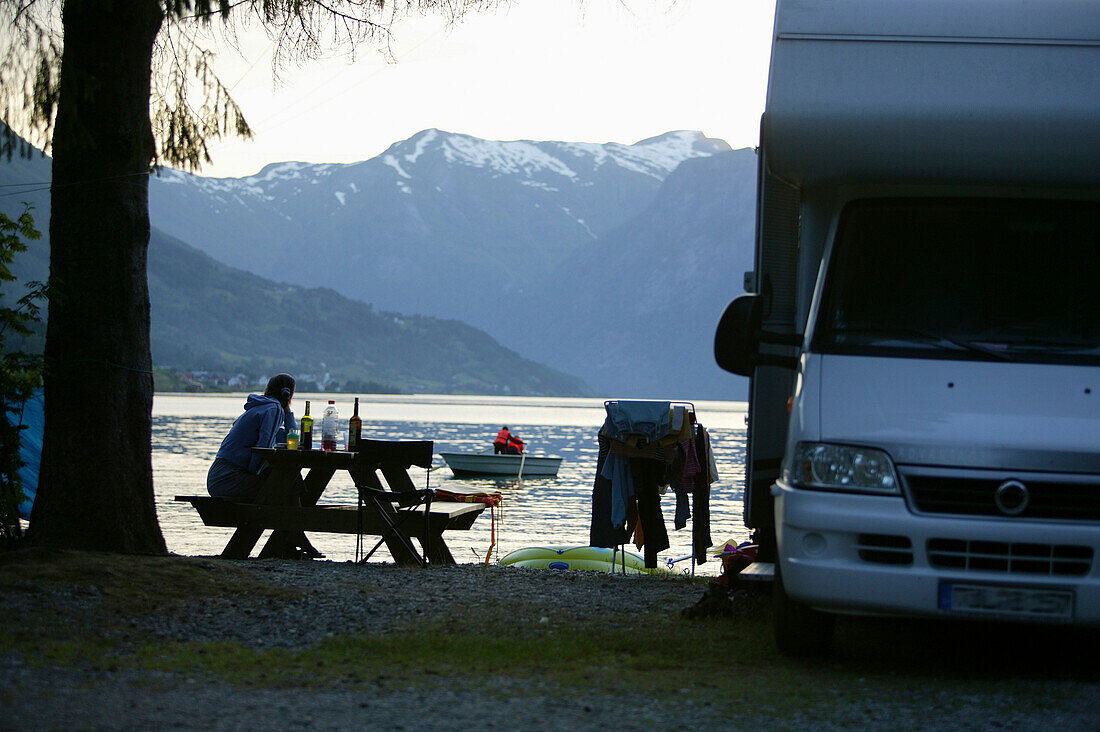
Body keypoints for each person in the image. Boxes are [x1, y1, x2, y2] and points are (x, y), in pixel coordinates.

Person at [207, 374, 321, 558]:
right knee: (287, 483)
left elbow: (291, 438)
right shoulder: (272, 409)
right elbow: (264, 447)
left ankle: (293, 540)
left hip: (219, 476)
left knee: (288, 480)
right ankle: (295, 537)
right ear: (290, 393)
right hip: (228, 478)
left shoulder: (264, 408)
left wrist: (287, 411)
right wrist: (255, 473)